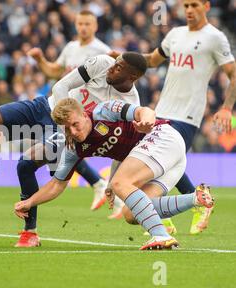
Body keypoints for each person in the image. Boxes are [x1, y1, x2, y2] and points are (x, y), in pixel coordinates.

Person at [0, 52, 145, 247]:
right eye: (115, 62)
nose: (113, 67)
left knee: (25, 165)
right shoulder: (103, 63)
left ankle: (30, 233)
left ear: (133, 77)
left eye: (119, 67)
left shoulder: (130, 104)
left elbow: (123, 148)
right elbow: (61, 86)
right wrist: (63, 125)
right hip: (45, 107)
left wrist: (112, 182)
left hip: (66, 130)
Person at [14, 98, 214, 250]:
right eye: (67, 129)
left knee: (120, 183)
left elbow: (144, 111)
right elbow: (56, 185)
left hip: (163, 137)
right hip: (167, 159)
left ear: (84, 114)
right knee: (131, 214)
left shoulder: (103, 111)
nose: (73, 132)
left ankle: (161, 236)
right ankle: (196, 199)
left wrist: (145, 120)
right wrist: (29, 202)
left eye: (75, 124)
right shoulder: (73, 148)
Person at [133, 0, 235, 234]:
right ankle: (194, 202)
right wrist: (125, 57)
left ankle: (167, 214)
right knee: (163, 164)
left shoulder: (214, 37)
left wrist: (227, 107)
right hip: (162, 111)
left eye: (194, 5)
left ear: (206, 7)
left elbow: (233, 73)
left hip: (187, 115)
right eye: (186, 5)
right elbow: (151, 60)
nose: (189, 10)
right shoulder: (175, 34)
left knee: (161, 163)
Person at [27, 10, 118, 217]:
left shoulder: (102, 51)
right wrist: (40, 59)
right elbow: (54, 72)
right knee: (63, 148)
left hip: (85, 115)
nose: (83, 27)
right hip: (65, 111)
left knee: (63, 147)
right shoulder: (70, 47)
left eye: (87, 23)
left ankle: (106, 186)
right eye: (80, 23)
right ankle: (100, 184)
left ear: (95, 26)